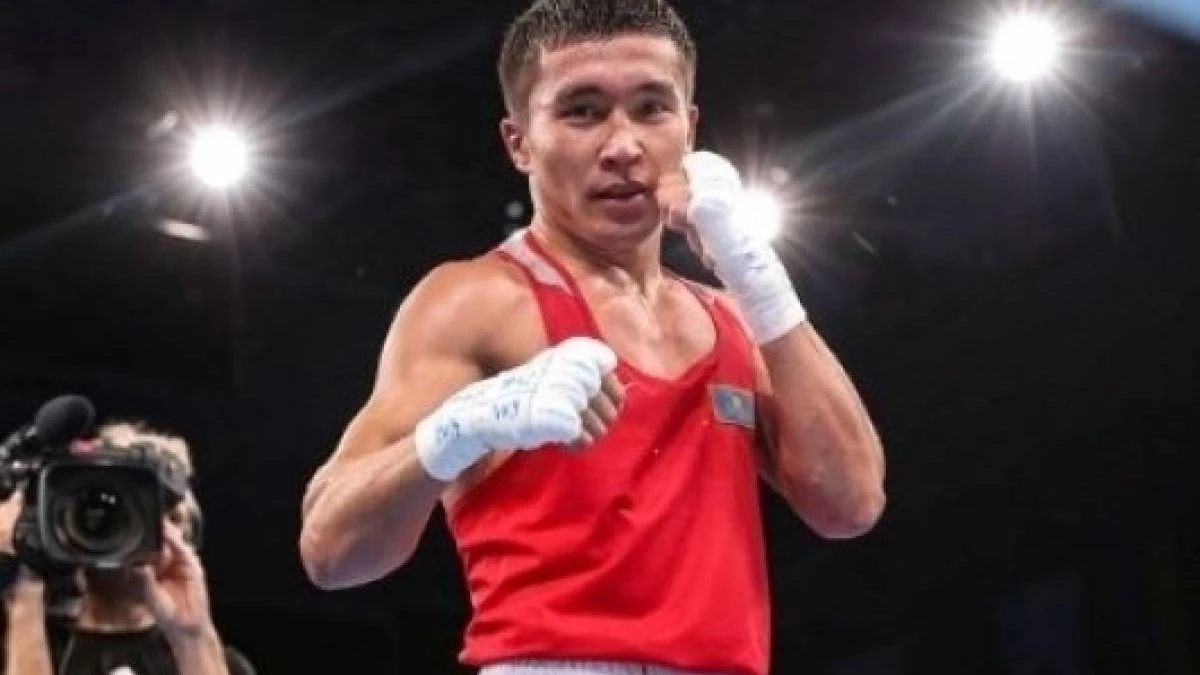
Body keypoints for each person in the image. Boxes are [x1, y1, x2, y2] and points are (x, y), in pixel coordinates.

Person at [299, 1, 886, 673]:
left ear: (690, 129)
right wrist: (460, 428)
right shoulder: (478, 300)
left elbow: (851, 504)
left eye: (651, 108)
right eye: (583, 111)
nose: (624, 146)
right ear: (520, 141)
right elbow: (330, 550)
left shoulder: (735, 315)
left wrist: (756, 272)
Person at [1, 422, 254, 675]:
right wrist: (25, 585)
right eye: (120, 513)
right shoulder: (15, 642)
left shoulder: (221, 664)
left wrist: (191, 635)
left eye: (171, 518)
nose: (147, 532)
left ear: (187, 538)